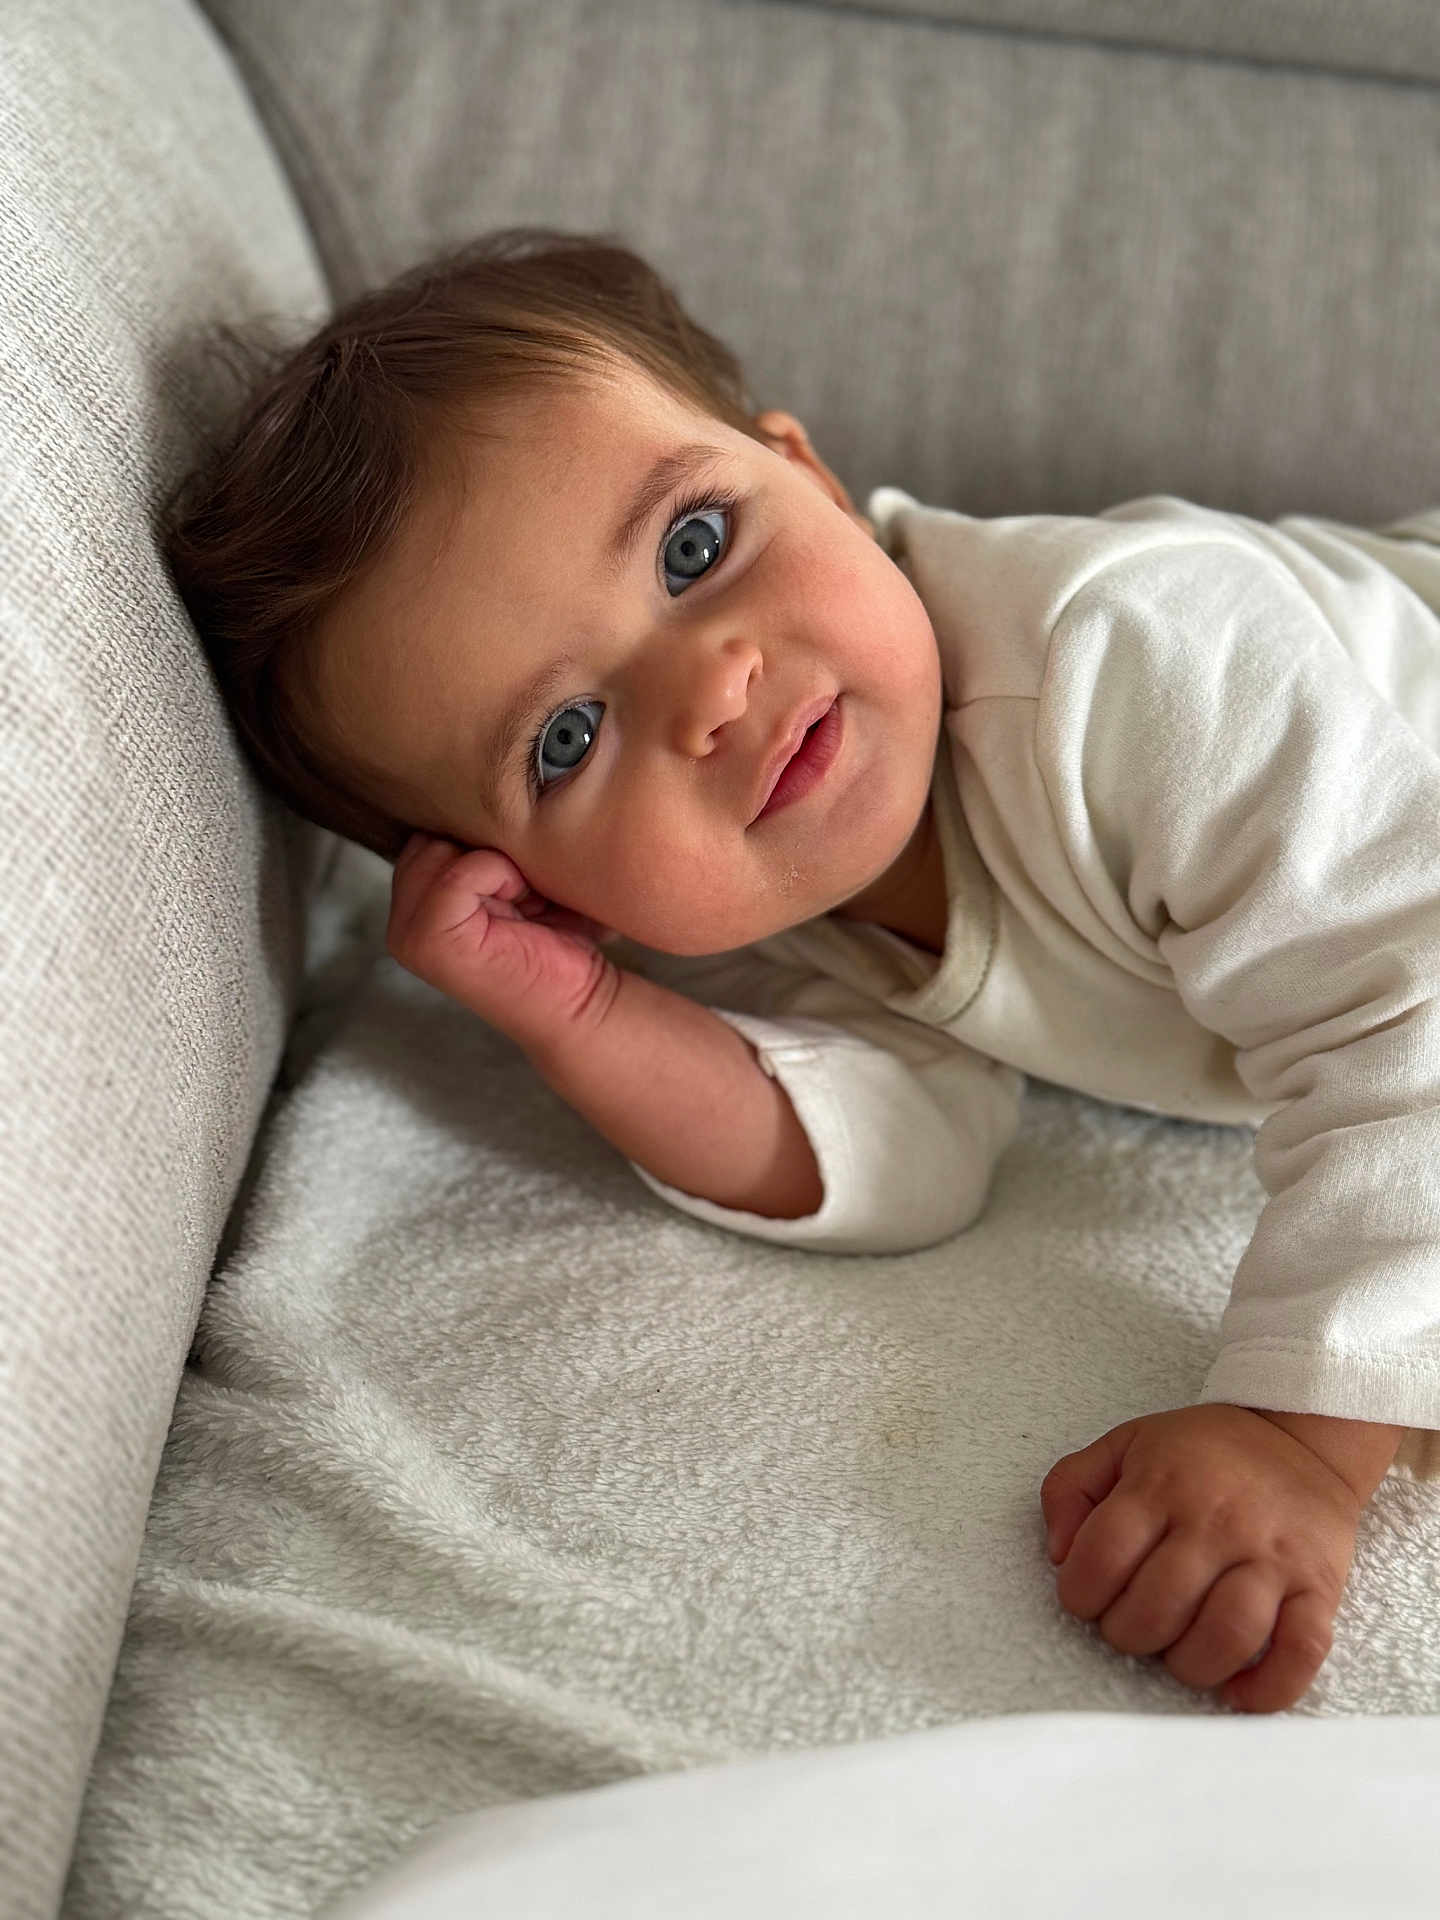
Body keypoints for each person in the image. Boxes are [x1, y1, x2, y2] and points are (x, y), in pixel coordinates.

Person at [164, 226, 1440, 1716]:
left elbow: (1410, 993)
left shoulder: (1142, 659)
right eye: (566, 742)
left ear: (810, 476)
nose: (710, 687)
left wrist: (1303, 1435)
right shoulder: (801, 889)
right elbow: (900, 1157)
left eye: (694, 548)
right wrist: (577, 1015)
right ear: (541, 889)